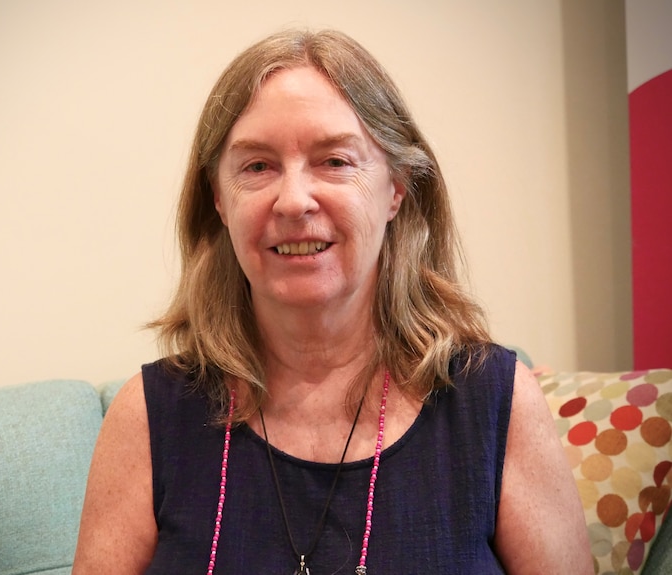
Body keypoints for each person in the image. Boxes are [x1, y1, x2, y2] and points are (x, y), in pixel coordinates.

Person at [72, 29, 592, 574]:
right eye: (257, 166)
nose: (294, 200)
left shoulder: (495, 404)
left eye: (335, 161)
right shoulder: (147, 419)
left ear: (397, 188)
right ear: (219, 199)